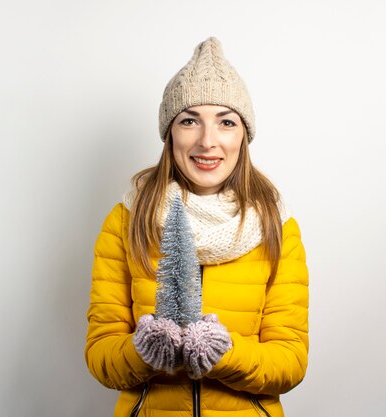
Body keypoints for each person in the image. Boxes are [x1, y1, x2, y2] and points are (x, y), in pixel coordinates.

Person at [85, 37, 309, 417]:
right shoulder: (127, 219)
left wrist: (224, 353)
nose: (208, 141)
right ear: (170, 132)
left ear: (243, 135)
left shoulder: (277, 225)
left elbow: (289, 362)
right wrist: (144, 351)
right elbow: (100, 354)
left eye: (226, 122)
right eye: (190, 121)